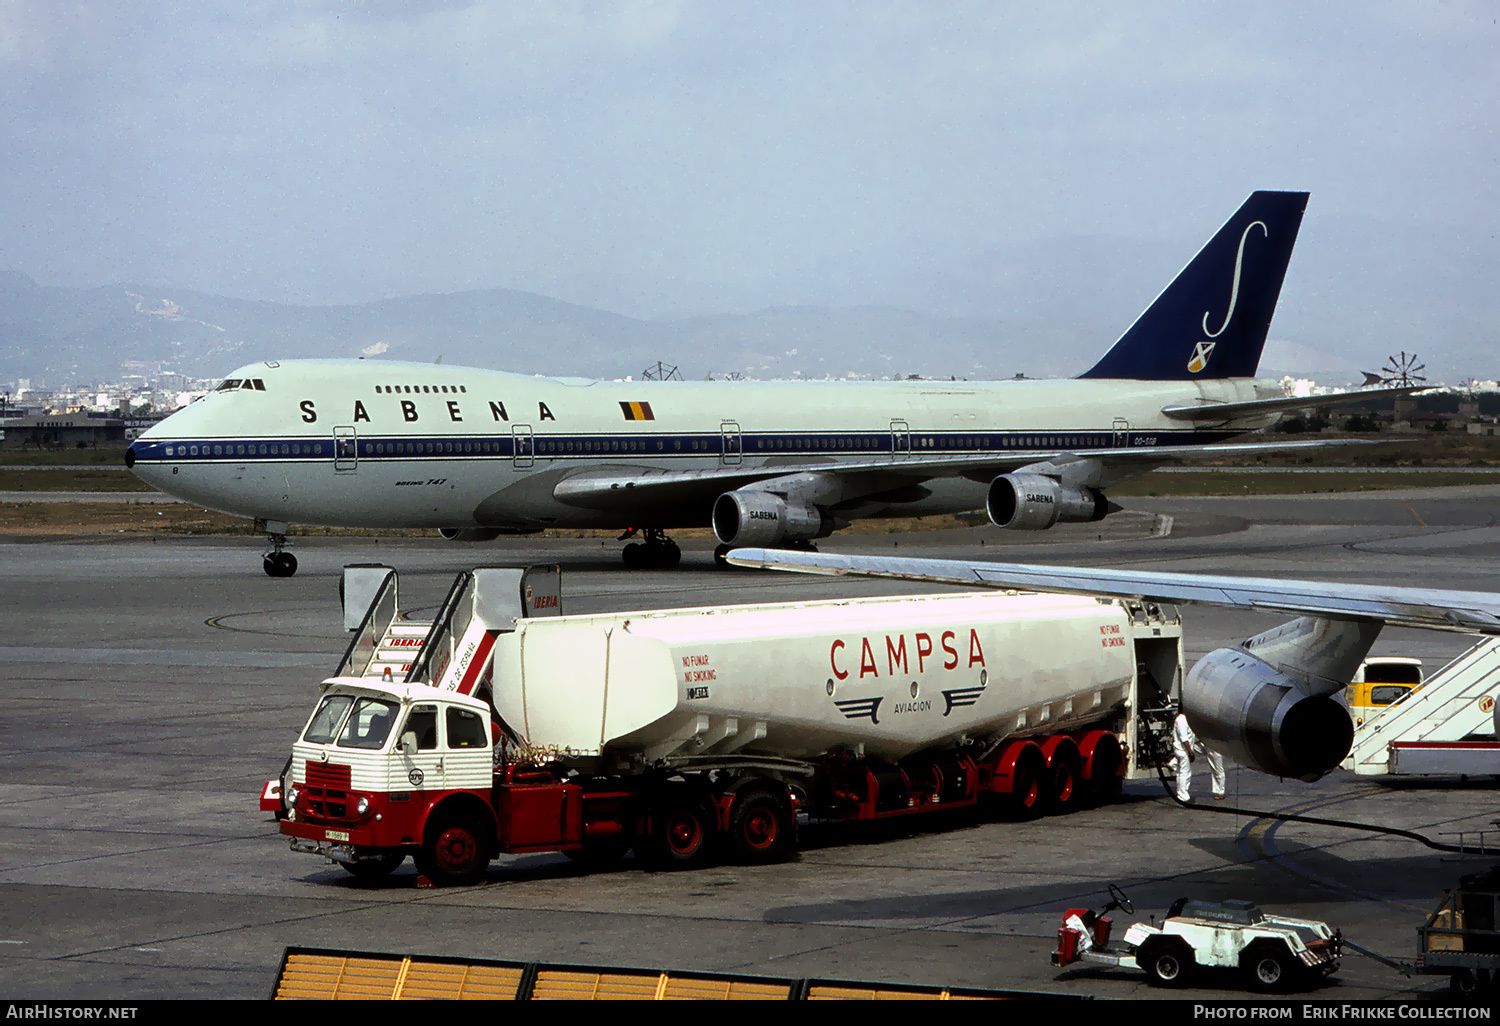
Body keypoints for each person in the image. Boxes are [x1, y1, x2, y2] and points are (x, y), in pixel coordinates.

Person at [1172, 709, 1226, 802]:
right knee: (1187, 751)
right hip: (1203, 743)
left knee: (1217, 768)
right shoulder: (1194, 718)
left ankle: (1220, 791)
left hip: (1214, 746)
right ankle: (1173, 763)